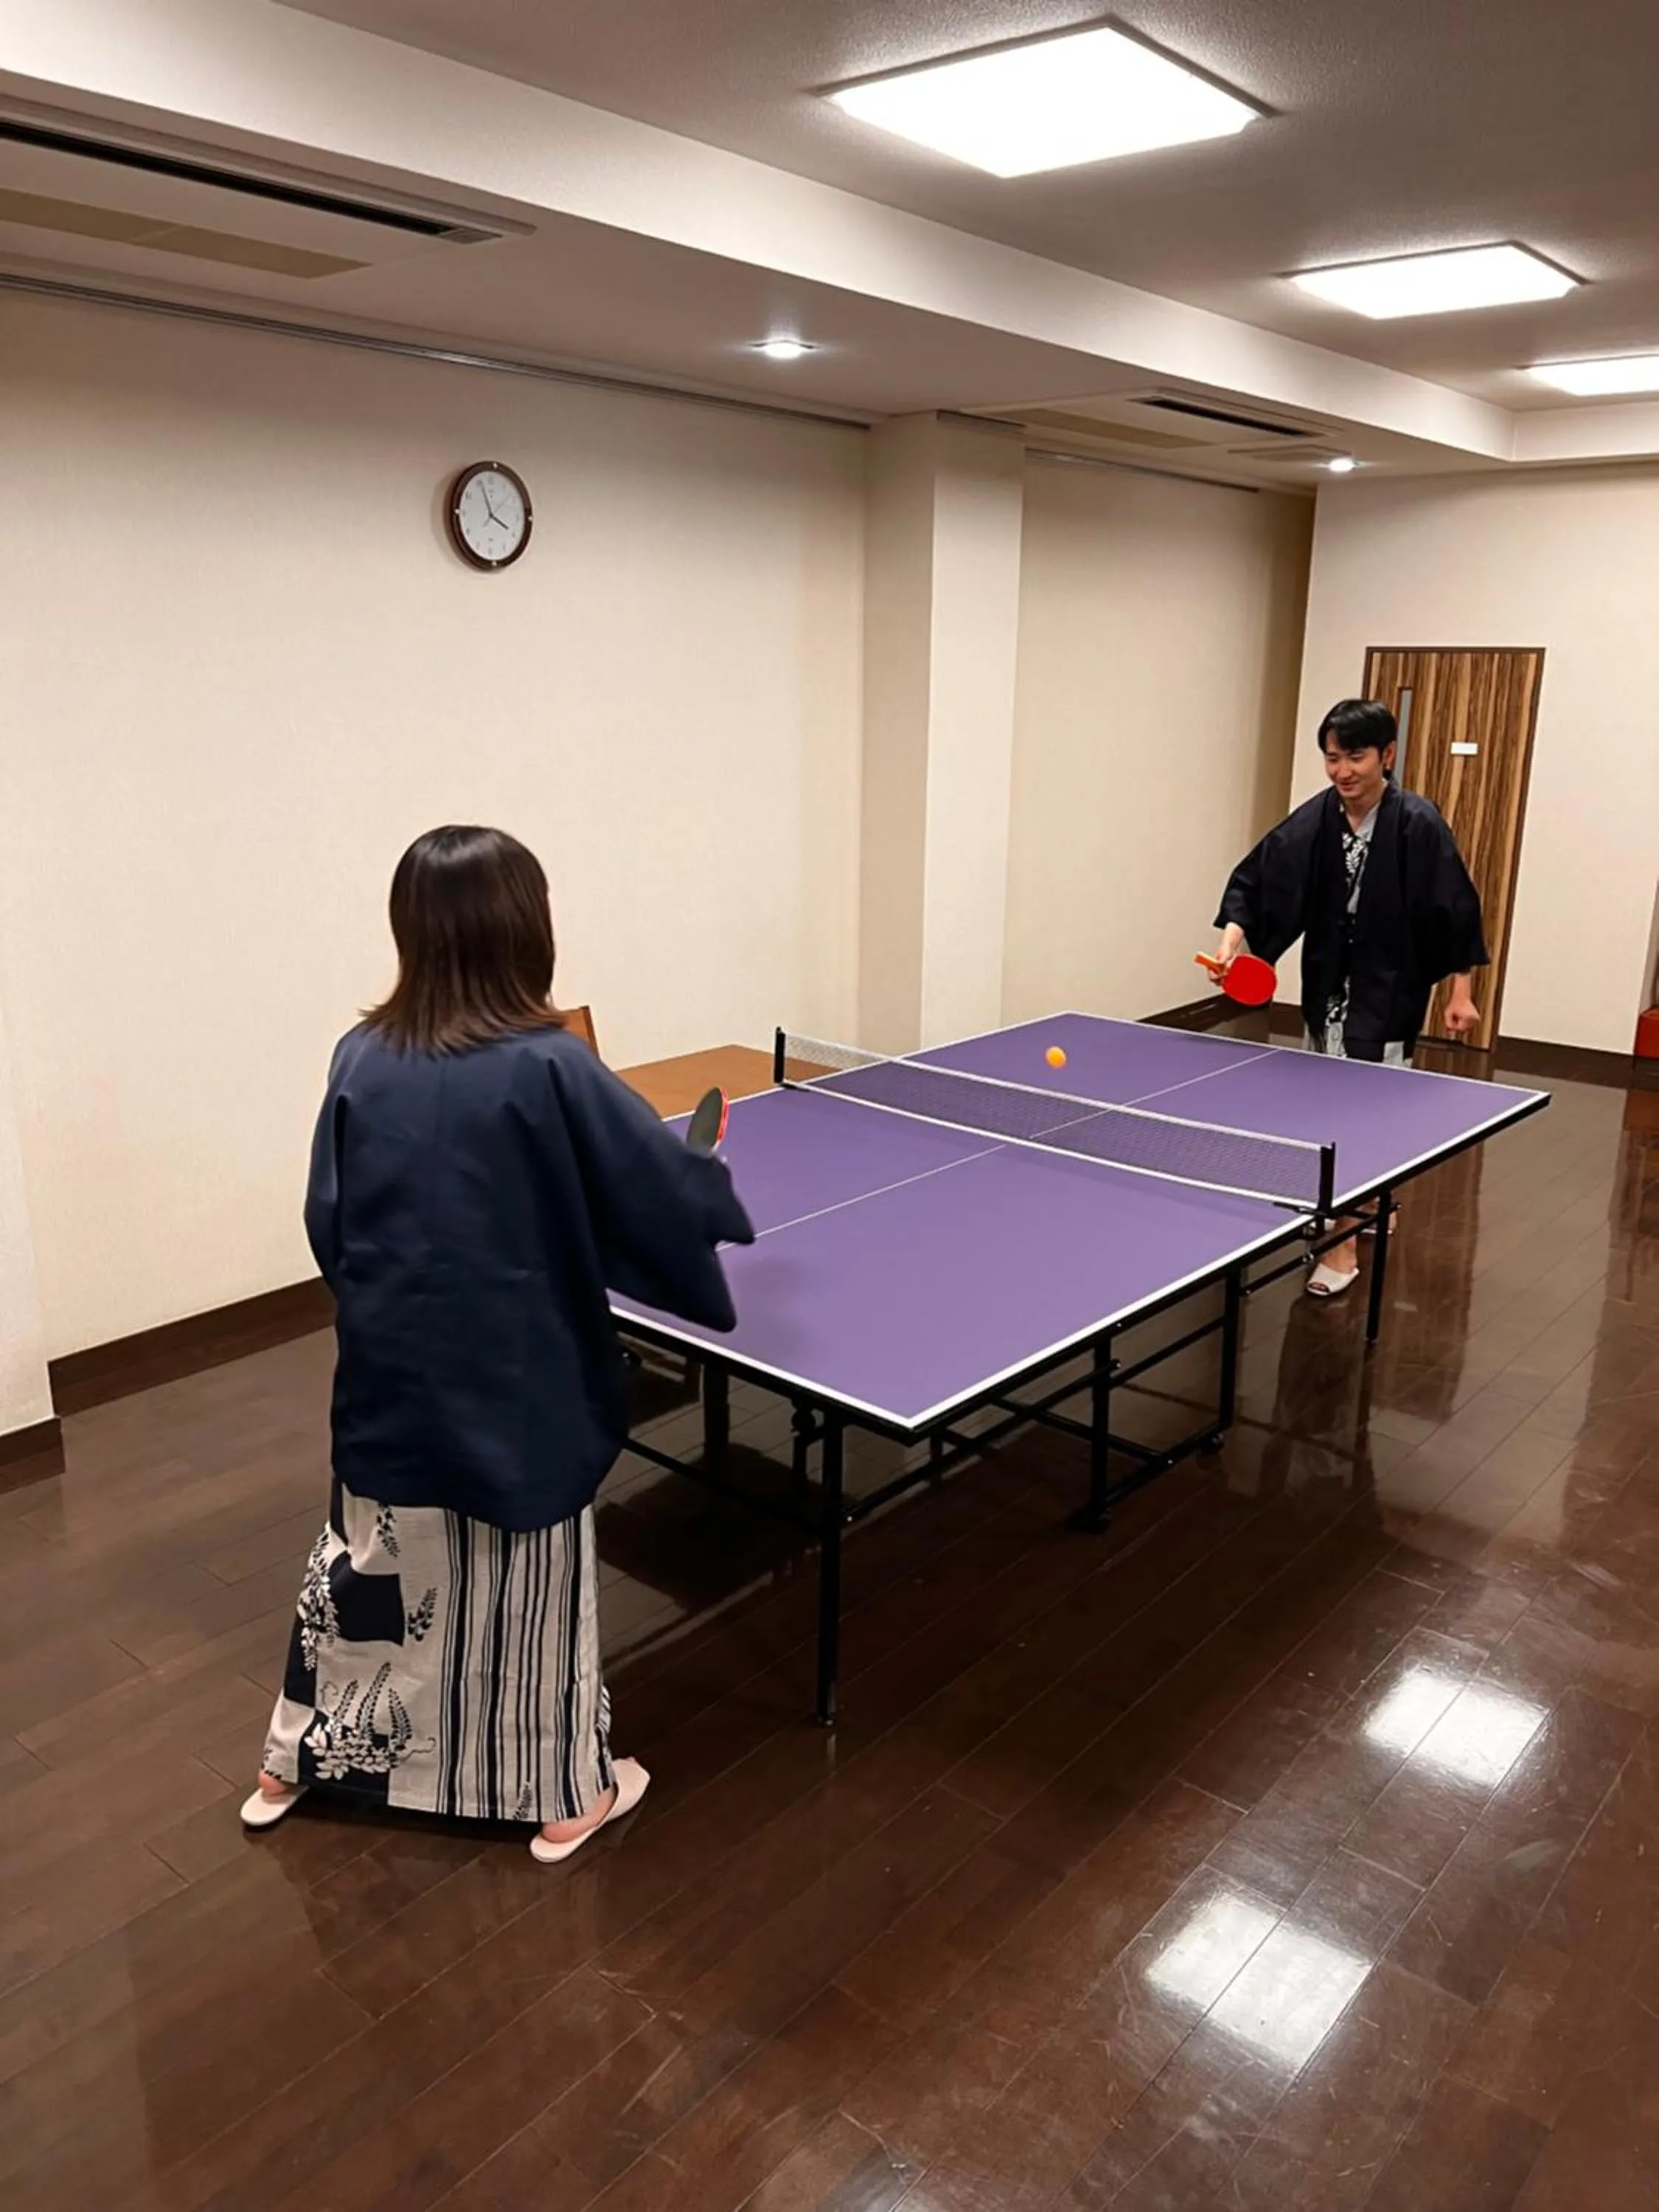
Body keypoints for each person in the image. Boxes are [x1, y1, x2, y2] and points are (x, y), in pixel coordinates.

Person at [244, 826, 754, 1860]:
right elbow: (651, 1188)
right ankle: (567, 1794)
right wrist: (698, 1174)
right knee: (526, 1586)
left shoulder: (361, 1057)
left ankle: (291, 1762)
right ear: (526, 928)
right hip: (518, 1383)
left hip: (389, 1370)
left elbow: (327, 1218)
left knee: (366, 1570)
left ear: (413, 932)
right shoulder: (548, 1063)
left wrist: (392, 1312)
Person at [1212, 699, 1486, 1297]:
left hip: (1387, 989)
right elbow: (1261, 878)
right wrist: (1233, 943)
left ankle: (1340, 1248)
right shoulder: (1318, 819)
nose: (1343, 771)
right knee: (1327, 1106)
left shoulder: (1417, 821)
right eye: (1333, 758)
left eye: (1356, 756)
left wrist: (1460, 993)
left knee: (1361, 1117)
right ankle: (1374, 1202)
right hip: (1326, 981)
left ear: (1387, 755)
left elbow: (1454, 908)